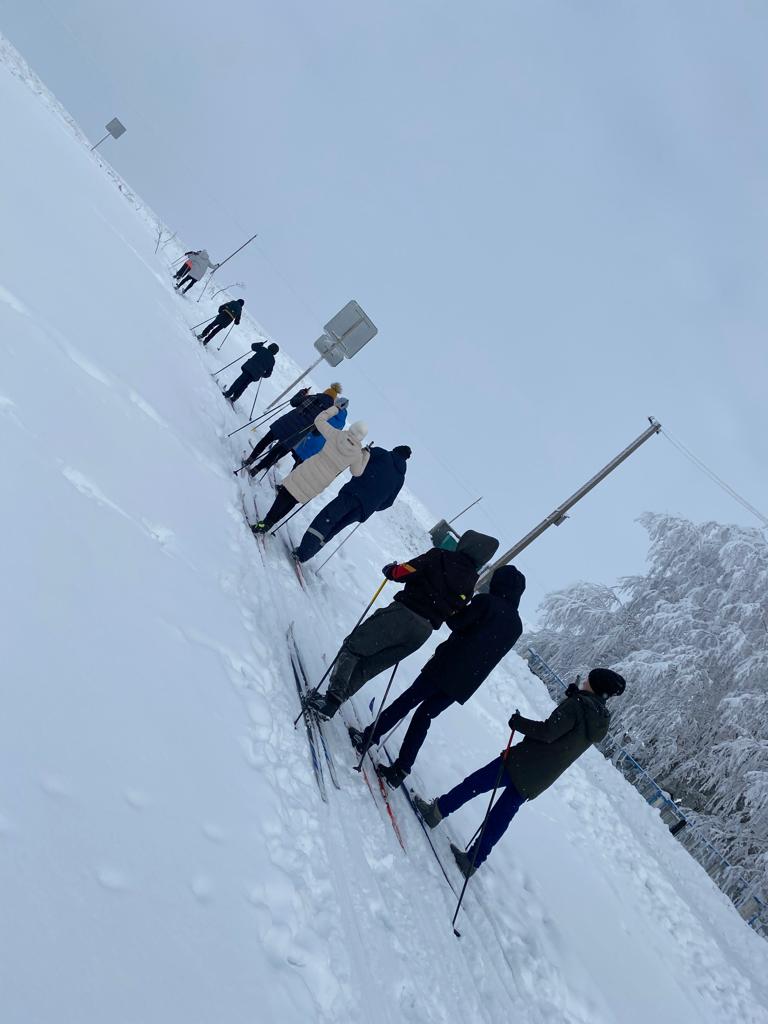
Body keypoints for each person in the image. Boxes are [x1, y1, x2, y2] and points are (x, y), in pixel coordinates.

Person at [413, 668, 626, 878]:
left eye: (589, 679)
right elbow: (569, 730)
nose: (585, 680)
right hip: (541, 776)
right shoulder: (599, 718)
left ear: (595, 686)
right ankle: (473, 861)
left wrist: (518, 722)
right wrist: (573, 698)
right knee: (501, 815)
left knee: (475, 784)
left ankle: (436, 812)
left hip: (523, 761)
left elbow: (548, 731)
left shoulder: (578, 706)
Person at [349, 565, 526, 789]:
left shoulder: (487, 602)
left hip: (447, 665)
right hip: (466, 683)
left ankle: (368, 738)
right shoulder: (516, 626)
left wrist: (460, 608)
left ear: (498, 584)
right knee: (424, 716)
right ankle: (401, 769)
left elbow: (456, 623)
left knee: (407, 701)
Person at [304, 530, 500, 721]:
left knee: (354, 647)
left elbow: (405, 571)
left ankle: (331, 700)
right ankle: (334, 702)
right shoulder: (470, 584)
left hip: (402, 614)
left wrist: (391, 570)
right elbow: (455, 612)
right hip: (422, 632)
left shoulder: (440, 556)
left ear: (465, 545)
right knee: (371, 666)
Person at [252, 406, 369, 534]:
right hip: (322, 480)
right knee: (294, 499)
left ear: (352, 428)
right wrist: (366, 456)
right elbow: (357, 473)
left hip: (310, 467)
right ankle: (270, 523)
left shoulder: (336, 434)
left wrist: (335, 409)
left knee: (286, 492)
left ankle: (266, 521)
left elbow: (319, 421)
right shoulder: (357, 455)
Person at [293, 445, 411, 564]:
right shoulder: (400, 478)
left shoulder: (382, 454)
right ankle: (307, 554)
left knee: (326, 519)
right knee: (335, 528)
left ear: (395, 450)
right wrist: (373, 504)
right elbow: (389, 502)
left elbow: (359, 457)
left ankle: (302, 553)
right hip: (363, 511)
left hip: (352, 494)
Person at [241, 385, 342, 474]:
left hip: (284, 423)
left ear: (325, 392)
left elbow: (293, 402)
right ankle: (256, 470)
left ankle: (250, 459)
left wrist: (301, 393)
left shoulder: (312, 397)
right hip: (295, 435)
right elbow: (316, 433)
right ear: (333, 401)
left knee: (266, 440)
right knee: (275, 453)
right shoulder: (326, 414)